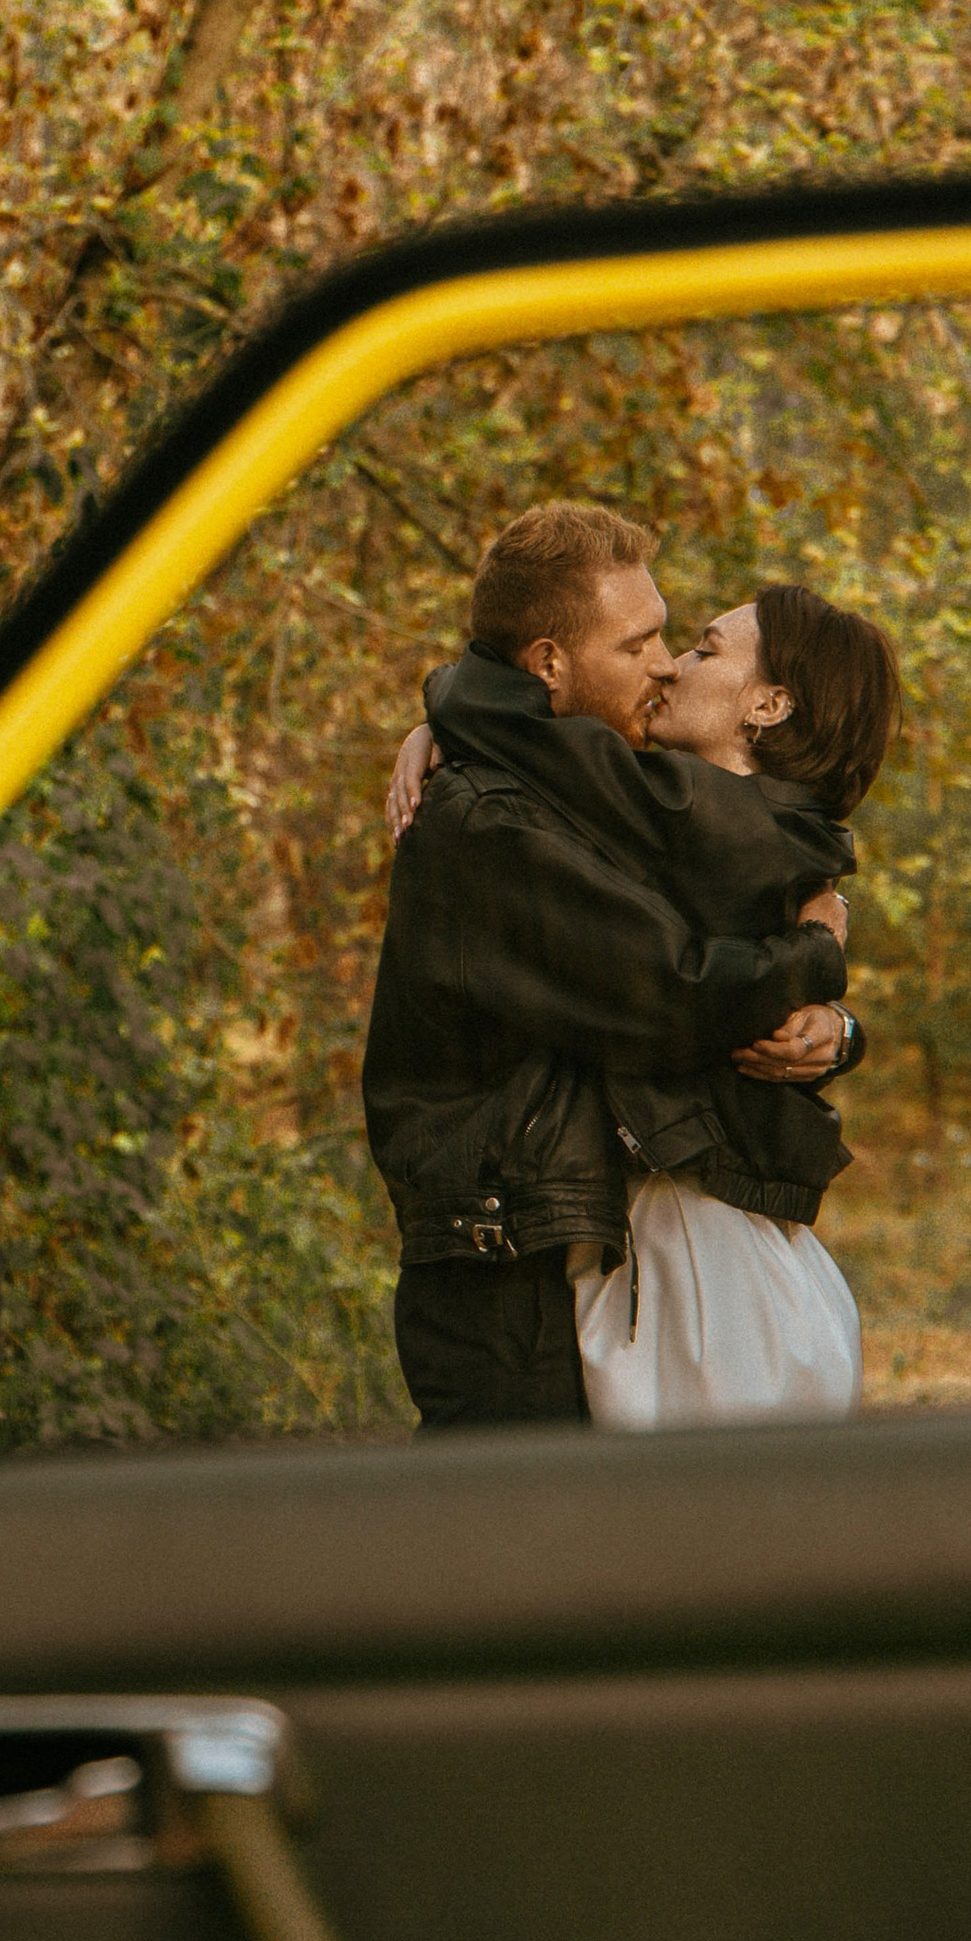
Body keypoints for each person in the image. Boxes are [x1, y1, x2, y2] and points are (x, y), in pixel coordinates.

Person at [360, 505, 853, 1433]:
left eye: (683, 641)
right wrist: (817, 951)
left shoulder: (611, 799)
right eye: (645, 642)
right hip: (509, 1277)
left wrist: (839, 1027)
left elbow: (738, 967)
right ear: (549, 664)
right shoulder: (490, 820)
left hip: (596, 1260)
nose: (666, 663)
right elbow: (674, 992)